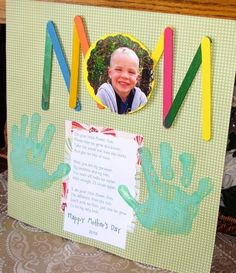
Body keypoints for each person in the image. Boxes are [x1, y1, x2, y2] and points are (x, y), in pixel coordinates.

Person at [96, 47, 147, 114]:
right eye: (118, 69)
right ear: (110, 73)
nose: (125, 76)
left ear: (137, 78)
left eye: (131, 72)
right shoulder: (102, 96)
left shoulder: (141, 100)